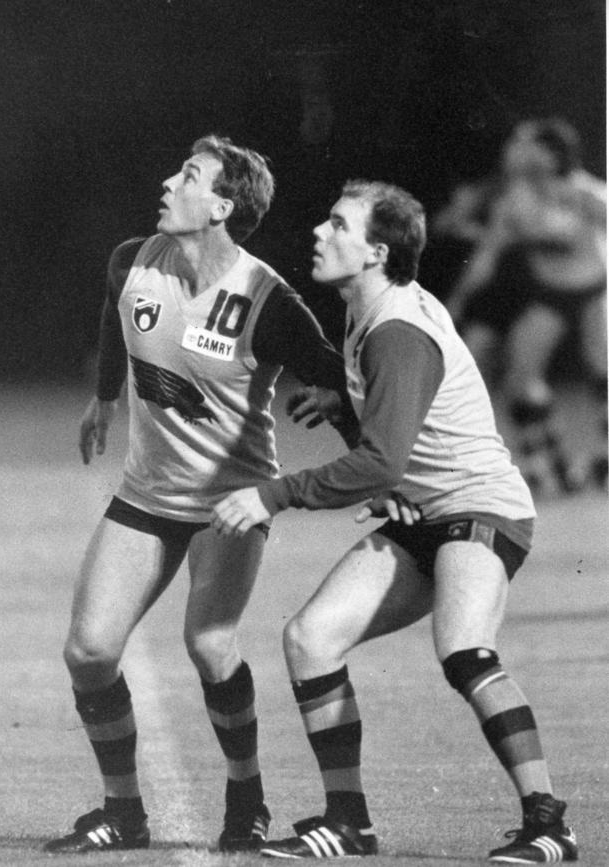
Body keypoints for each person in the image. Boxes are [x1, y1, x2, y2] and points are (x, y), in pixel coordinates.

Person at [212, 179, 578, 862]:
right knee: (311, 637)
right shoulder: (369, 308)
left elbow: (380, 463)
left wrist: (272, 493)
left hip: (480, 507)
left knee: (465, 650)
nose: (321, 233)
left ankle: (550, 824)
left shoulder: (396, 332)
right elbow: (390, 443)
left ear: (377, 251)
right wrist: (344, 407)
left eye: (339, 224)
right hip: (424, 510)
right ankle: (349, 822)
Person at [44, 134, 360, 855]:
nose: (167, 180)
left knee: (209, 642)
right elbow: (115, 313)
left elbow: (335, 376)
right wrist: (103, 398)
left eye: (188, 175)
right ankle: (123, 813)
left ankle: (246, 794)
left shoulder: (266, 298)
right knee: (90, 651)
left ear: (222, 205)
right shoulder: (132, 260)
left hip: (230, 498)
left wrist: (377, 472)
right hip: (149, 493)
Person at [433, 118, 607, 495]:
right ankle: (551, 468)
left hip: (596, 290)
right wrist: (457, 302)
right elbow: (487, 256)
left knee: (604, 371)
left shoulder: (587, 193)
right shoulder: (516, 201)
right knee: (520, 378)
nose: (520, 149)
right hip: (551, 296)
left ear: (551, 155)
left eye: (531, 145)